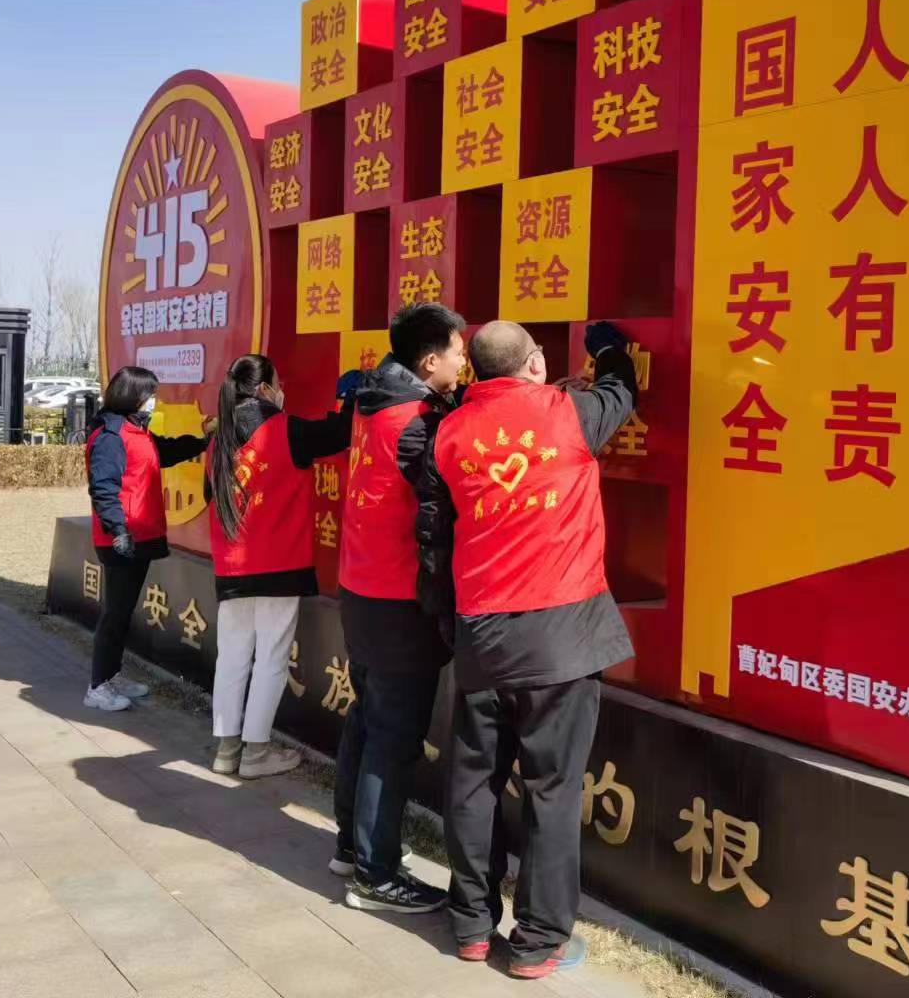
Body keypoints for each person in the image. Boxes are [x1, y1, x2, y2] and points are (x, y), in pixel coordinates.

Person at [417, 320, 637, 978]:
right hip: (561, 640)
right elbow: (622, 390)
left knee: (473, 783)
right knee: (552, 790)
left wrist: (450, 624)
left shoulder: (448, 433)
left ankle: (471, 926)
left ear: (475, 371)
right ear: (536, 364)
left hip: (483, 634)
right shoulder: (570, 413)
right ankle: (538, 941)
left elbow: (434, 538)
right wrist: (607, 348)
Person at [332, 303, 467, 914]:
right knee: (393, 739)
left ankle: (352, 846)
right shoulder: (415, 423)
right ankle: (376, 874)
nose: (464, 363)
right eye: (458, 353)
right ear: (430, 360)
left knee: (368, 722)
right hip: (396, 601)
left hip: (361, 590)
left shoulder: (373, 400)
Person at [205, 354, 357, 779]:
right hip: (278, 566)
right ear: (265, 390)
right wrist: (349, 397)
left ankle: (226, 750)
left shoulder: (218, 441)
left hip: (232, 569)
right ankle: (256, 753)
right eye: (279, 382)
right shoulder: (286, 430)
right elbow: (339, 434)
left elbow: (211, 496)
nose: (283, 390)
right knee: (271, 658)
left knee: (232, 656)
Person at [84, 365, 208, 713]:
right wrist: (118, 530)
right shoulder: (110, 436)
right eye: (150, 395)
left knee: (123, 613)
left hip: (140, 536)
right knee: (115, 614)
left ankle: (111, 675)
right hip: (121, 539)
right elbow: (103, 488)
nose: (154, 401)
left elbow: (162, 452)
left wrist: (202, 441)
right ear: (133, 395)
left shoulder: (136, 430)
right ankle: (97, 687)